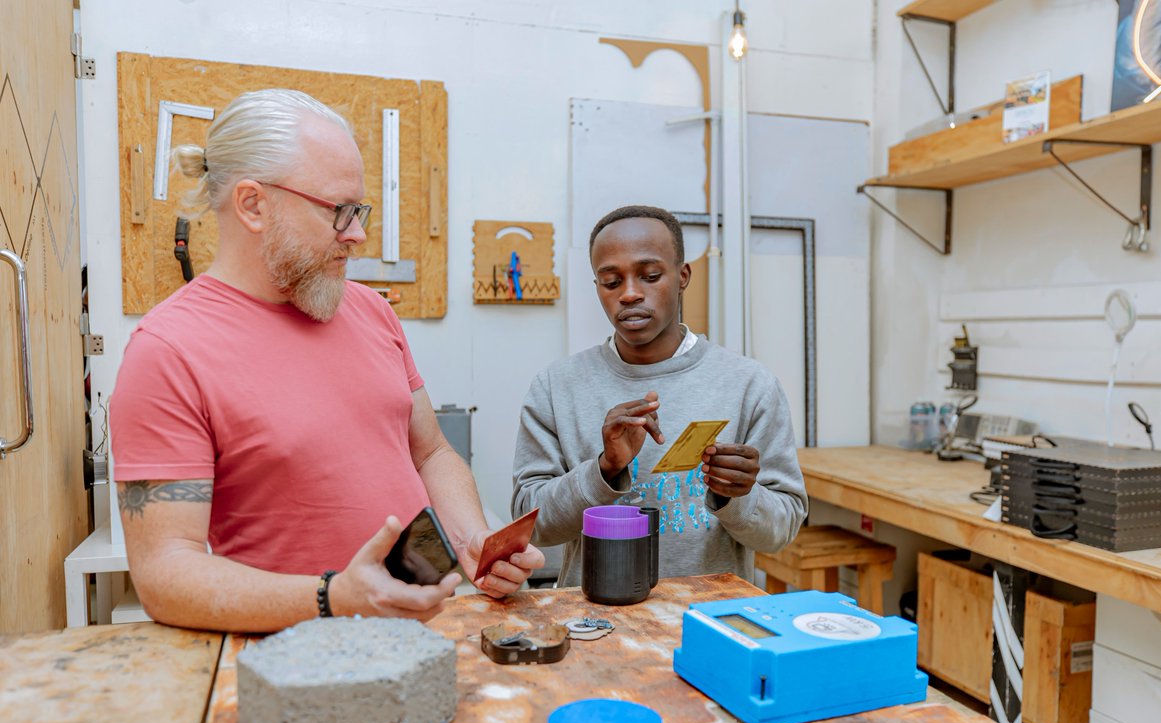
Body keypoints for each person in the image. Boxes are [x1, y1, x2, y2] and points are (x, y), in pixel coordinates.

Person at [110, 89, 542, 633]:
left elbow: (429, 451)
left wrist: (473, 539)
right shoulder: (168, 351)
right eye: (339, 212)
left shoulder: (368, 311)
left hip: (425, 635)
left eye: (357, 210)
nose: (358, 234)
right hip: (294, 665)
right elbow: (165, 576)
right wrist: (333, 597)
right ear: (253, 204)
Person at [511, 205, 807, 586]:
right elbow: (531, 526)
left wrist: (737, 497)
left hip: (709, 625)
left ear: (682, 276)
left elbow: (781, 532)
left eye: (650, 276)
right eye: (611, 282)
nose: (630, 294)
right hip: (598, 625)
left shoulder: (749, 385)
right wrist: (602, 469)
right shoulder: (556, 387)